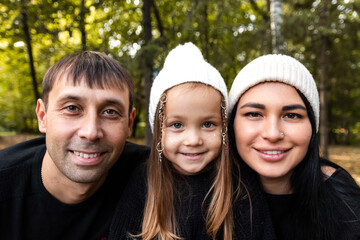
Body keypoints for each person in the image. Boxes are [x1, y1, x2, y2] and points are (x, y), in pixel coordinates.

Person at [109, 43, 275, 240]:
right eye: (177, 125)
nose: (193, 140)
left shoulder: (240, 185)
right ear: (159, 133)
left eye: (207, 124)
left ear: (224, 128)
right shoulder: (143, 183)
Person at [0, 51, 150, 239]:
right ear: (42, 117)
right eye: (72, 108)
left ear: (129, 123)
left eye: (110, 112)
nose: (91, 132)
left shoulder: (155, 177)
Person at [228, 54, 360, 240]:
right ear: (231, 124)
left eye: (292, 115)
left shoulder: (344, 204)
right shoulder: (206, 196)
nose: (273, 134)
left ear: (312, 127)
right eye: (254, 114)